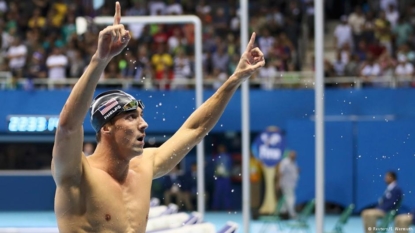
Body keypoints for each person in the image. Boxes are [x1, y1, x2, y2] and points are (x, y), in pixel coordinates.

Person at [51, 2, 265, 233]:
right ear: (107, 128)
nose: (144, 124)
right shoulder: (77, 175)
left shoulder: (144, 167)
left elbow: (195, 129)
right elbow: (68, 127)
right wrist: (99, 60)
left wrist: (235, 80)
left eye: (140, 116)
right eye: (131, 117)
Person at [279, 150, 299, 219]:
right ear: (289, 155)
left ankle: (282, 213)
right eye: (293, 155)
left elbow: (293, 173)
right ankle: (292, 214)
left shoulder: (294, 163)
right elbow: (281, 173)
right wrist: (278, 183)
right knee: (291, 198)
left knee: (286, 199)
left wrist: (297, 171)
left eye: (295, 155)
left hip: (292, 184)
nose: (294, 156)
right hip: (286, 183)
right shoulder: (285, 162)